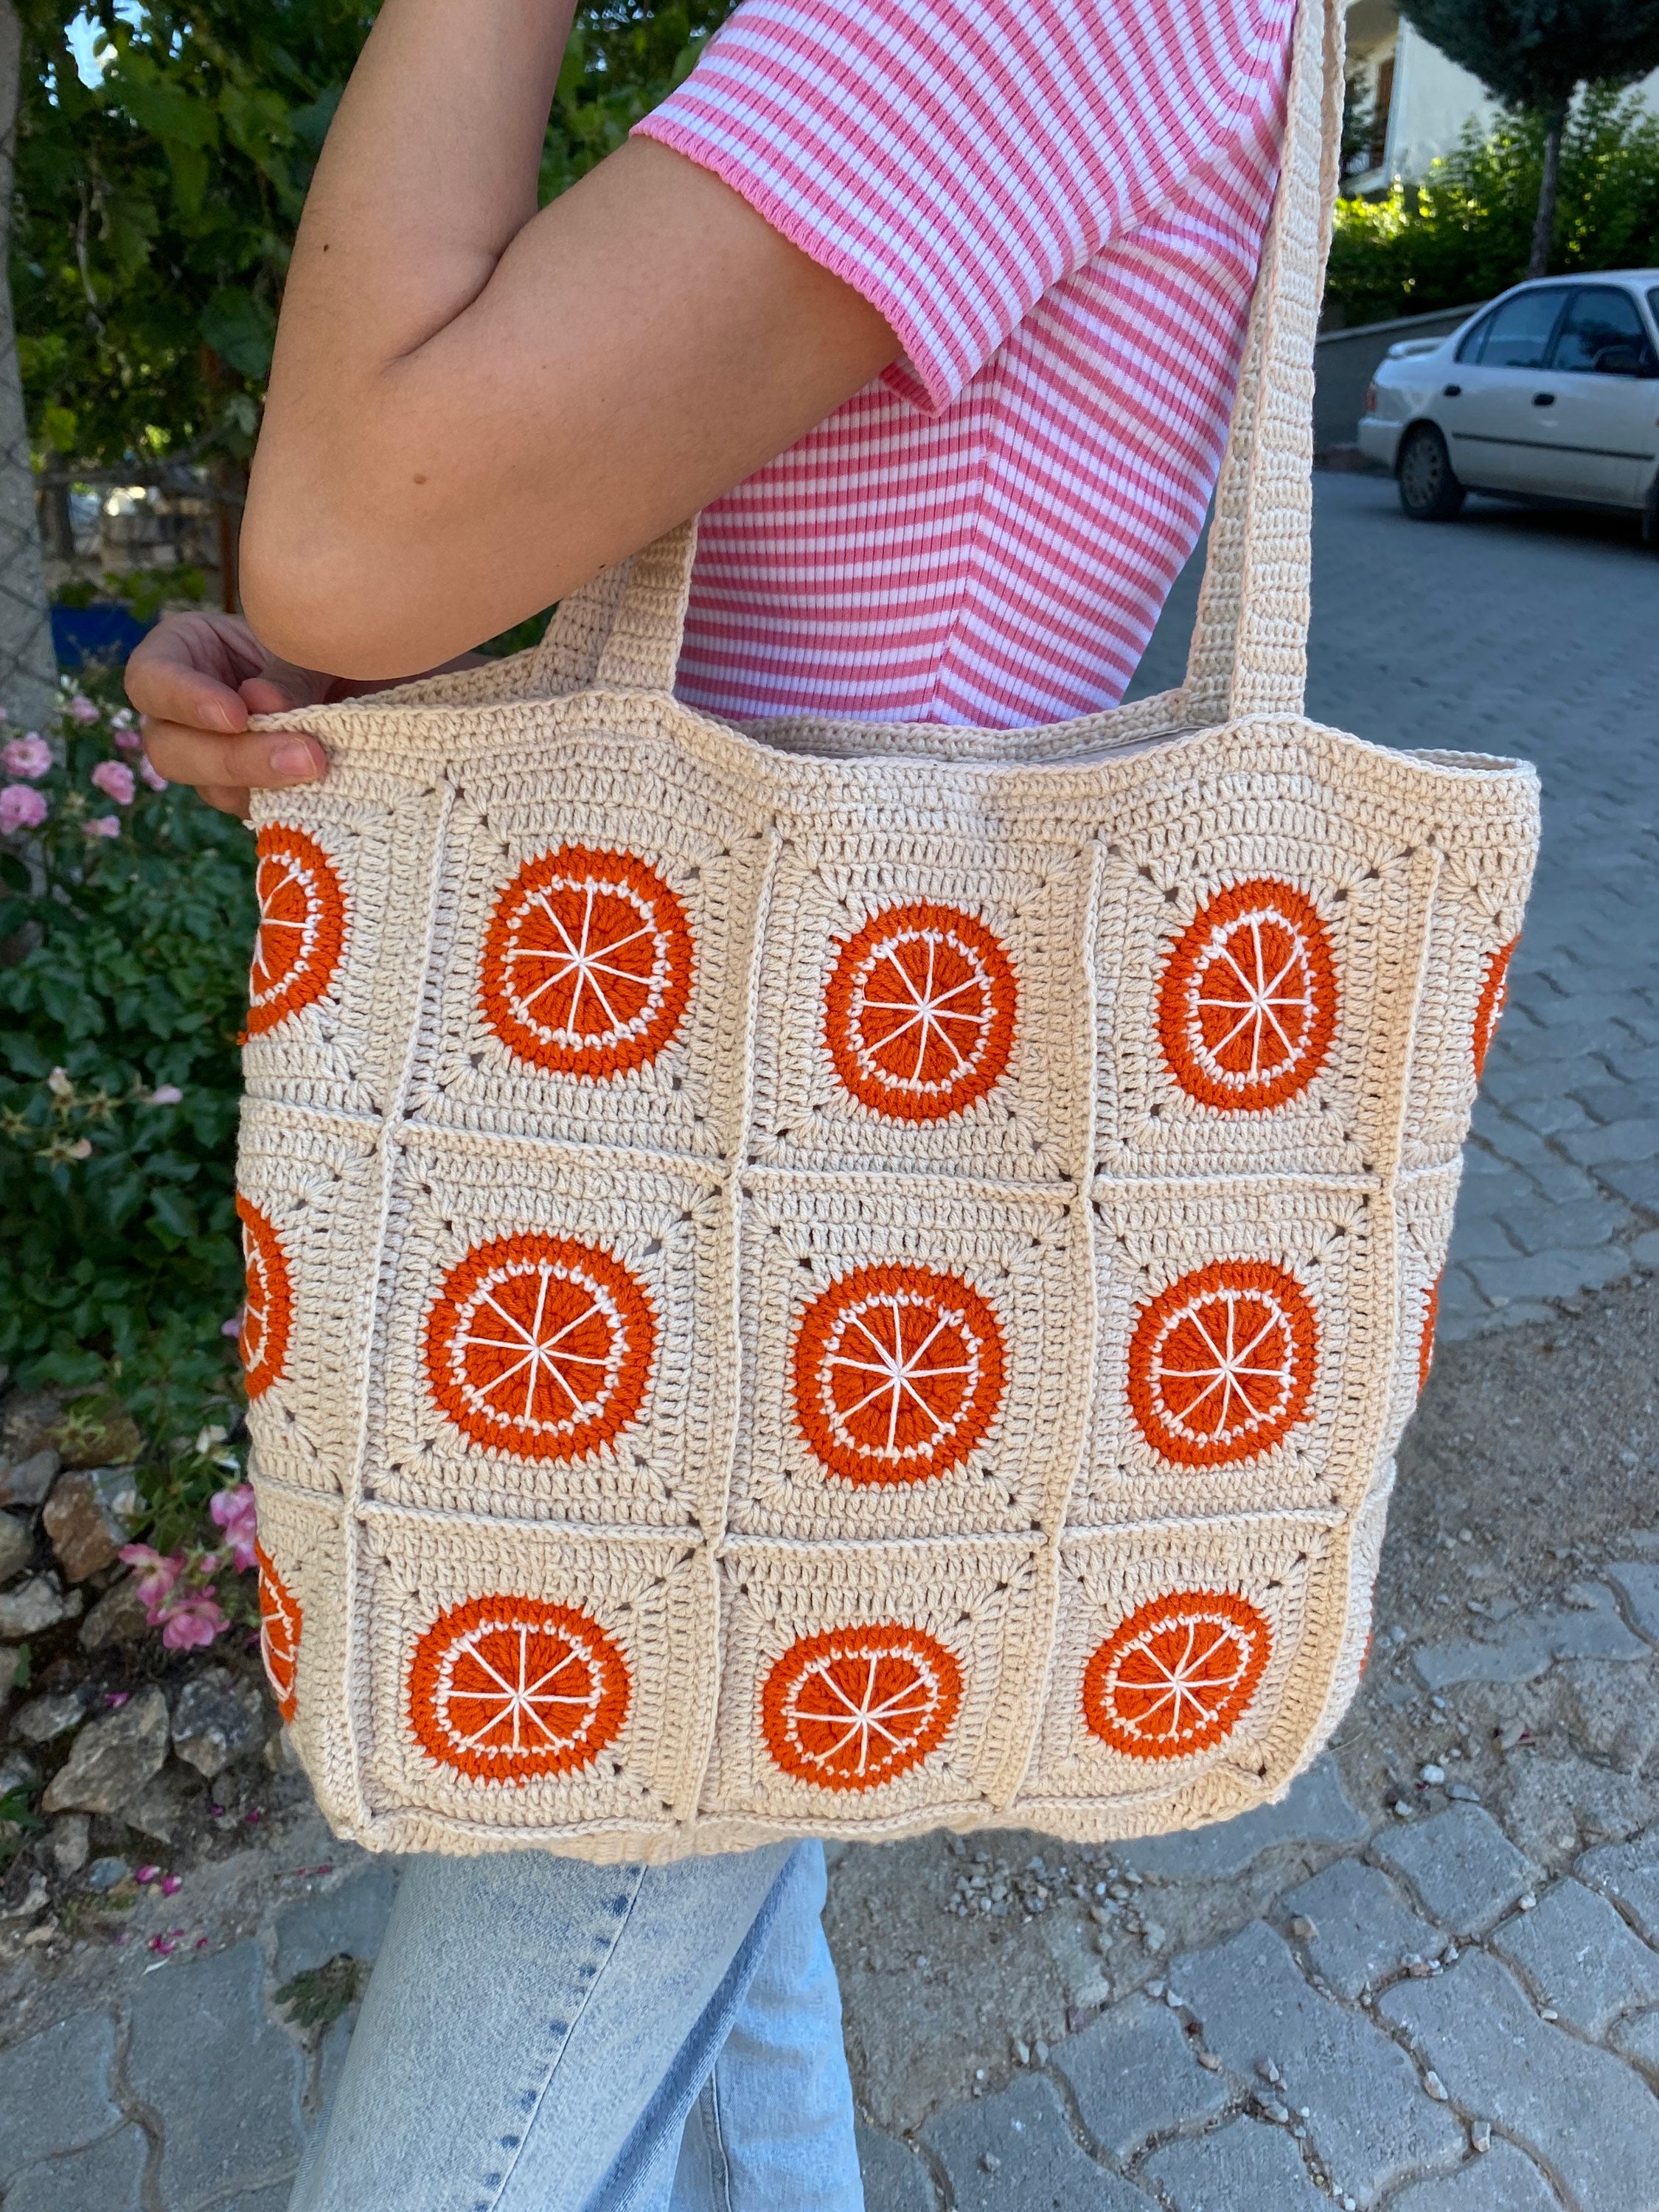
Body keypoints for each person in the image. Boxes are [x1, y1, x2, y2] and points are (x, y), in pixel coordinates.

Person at [127, 2, 1300, 2202]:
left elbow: (351, 528)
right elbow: (462, 553)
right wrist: (341, 666)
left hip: (743, 1265)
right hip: (764, 1228)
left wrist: (348, 584)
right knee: (724, 1931)